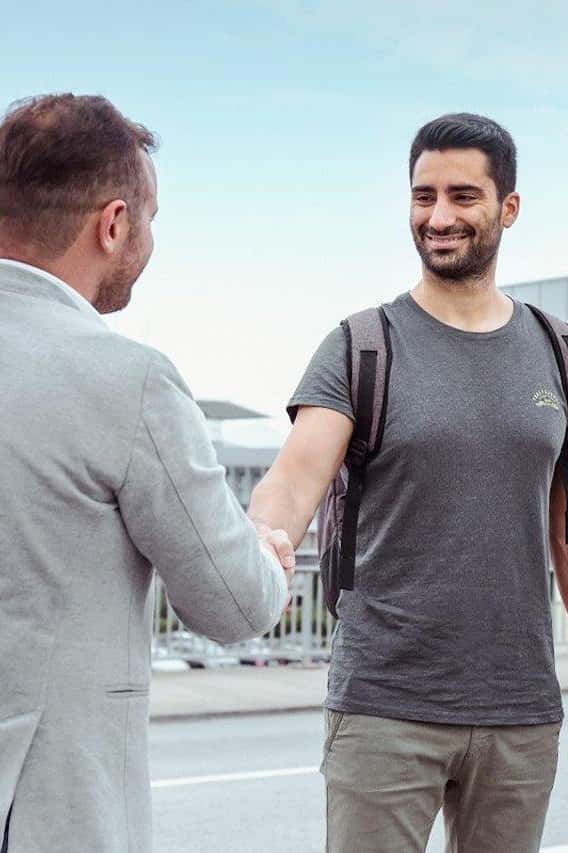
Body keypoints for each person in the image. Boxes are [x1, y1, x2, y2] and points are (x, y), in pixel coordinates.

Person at [249, 112, 568, 852]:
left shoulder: (560, 352)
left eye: (462, 196)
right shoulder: (363, 344)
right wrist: (264, 543)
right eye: (424, 197)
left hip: (520, 707)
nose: (439, 217)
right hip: (386, 703)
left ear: (508, 208)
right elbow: (294, 479)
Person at [0, 94, 296, 853]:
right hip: (42, 813)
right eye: (151, 218)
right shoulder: (123, 379)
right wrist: (266, 550)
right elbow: (232, 602)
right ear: (114, 223)